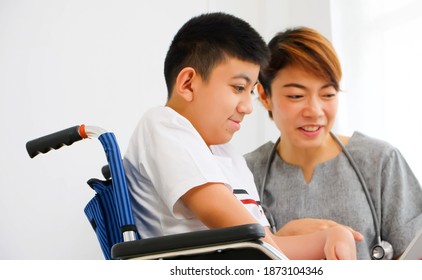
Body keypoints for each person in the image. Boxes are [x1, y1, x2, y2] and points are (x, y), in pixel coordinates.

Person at [123, 13, 359, 260]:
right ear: (188, 84)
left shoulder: (227, 154)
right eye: (238, 88)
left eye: (250, 91)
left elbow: (266, 244)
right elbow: (252, 242)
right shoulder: (163, 125)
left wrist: (331, 238)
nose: (247, 106)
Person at [244, 26, 422, 260]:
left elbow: (421, 255)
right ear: (264, 95)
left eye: (328, 94)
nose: (315, 111)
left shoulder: (380, 160)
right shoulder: (246, 171)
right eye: (296, 96)